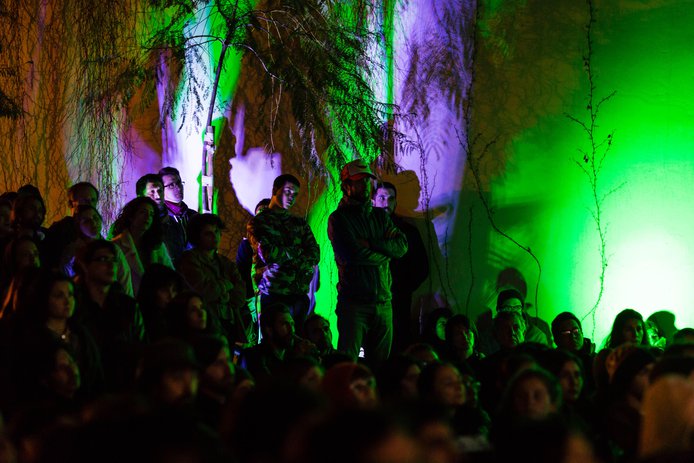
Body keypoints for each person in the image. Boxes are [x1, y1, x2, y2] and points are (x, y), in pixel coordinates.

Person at [328, 159, 407, 367]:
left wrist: (371, 244)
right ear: (347, 185)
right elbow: (352, 255)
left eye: (367, 180)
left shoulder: (380, 217)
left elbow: (401, 246)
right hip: (354, 304)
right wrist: (385, 252)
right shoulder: (338, 219)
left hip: (383, 302)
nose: (365, 185)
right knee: (347, 365)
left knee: (381, 368)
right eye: (359, 181)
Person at [247, 174, 320, 331]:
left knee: (297, 339)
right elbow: (269, 254)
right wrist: (299, 253)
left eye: (295, 194)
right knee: (275, 338)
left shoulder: (299, 223)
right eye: (288, 191)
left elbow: (314, 254)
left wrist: (285, 255)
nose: (292, 197)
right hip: (274, 293)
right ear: (275, 190)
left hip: (298, 293)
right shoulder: (259, 222)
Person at [372, 181, 429, 353]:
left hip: (398, 300)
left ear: (396, 202)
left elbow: (422, 267)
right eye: (382, 198)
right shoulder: (365, 229)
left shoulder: (407, 231)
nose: (386, 203)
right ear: (373, 200)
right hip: (370, 299)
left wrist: (402, 289)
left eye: (390, 199)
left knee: (398, 342)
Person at [177, 213, 246, 347]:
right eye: (208, 233)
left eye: (216, 232)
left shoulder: (226, 263)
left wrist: (221, 292)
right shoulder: (189, 259)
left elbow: (240, 296)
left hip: (228, 324)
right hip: (203, 324)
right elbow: (203, 291)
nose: (215, 237)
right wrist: (226, 286)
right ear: (197, 236)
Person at [110, 197, 173, 294]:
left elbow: (170, 274)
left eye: (151, 214)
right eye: (143, 212)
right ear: (131, 216)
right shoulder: (116, 245)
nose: (148, 217)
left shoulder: (157, 245)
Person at [41, 181, 99, 270]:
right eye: (85, 200)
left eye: (93, 200)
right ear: (72, 203)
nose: (90, 204)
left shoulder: (96, 230)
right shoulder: (59, 230)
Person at [236, 198, 270, 345]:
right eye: (260, 213)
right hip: (256, 297)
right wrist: (250, 300)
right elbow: (242, 273)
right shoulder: (247, 244)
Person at [159, 166, 198, 263]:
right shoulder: (159, 219)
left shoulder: (194, 216)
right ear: (162, 190)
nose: (178, 188)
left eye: (179, 182)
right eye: (171, 185)